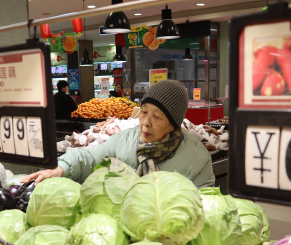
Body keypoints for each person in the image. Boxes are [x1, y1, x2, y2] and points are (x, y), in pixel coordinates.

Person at [23, 80, 215, 188]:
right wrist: (60, 168)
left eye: (157, 117)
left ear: (173, 124)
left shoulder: (197, 158)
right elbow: (89, 157)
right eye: (144, 112)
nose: (146, 123)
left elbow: (204, 207)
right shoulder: (125, 141)